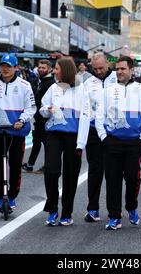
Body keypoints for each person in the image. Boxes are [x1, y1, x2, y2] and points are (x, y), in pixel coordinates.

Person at [95, 56, 141, 230]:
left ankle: (132, 207)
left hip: (134, 142)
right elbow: (99, 116)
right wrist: (104, 137)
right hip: (112, 141)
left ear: (131, 70)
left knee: (132, 178)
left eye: (123, 69)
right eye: (117, 69)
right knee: (112, 180)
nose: (119, 72)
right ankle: (114, 216)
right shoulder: (108, 90)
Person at [0, 53, 35, 213]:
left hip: (17, 131)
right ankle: (0, 195)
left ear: (16, 68)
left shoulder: (25, 85)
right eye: (3, 66)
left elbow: (31, 107)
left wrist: (22, 120)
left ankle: (12, 196)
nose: (5, 69)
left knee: (16, 165)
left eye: (8, 66)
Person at [40, 58, 90, 226]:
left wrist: (81, 143)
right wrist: (47, 110)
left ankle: (67, 212)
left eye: (56, 68)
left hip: (73, 138)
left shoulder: (82, 90)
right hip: (54, 134)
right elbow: (42, 109)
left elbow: (85, 117)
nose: (54, 71)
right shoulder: (53, 88)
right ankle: (53, 208)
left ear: (66, 70)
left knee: (70, 175)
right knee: (51, 171)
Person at [83, 52, 117, 222]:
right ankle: (93, 208)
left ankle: (115, 211)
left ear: (108, 64)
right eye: (95, 69)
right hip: (94, 132)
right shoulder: (88, 84)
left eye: (101, 68)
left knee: (114, 172)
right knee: (95, 170)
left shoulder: (119, 79)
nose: (98, 71)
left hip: (115, 132)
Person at [22, 59, 55, 174]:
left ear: (49, 69)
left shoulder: (50, 83)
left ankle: (47, 166)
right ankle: (30, 165)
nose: (41, 69)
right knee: (36, 141)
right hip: (38, 118)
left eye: (43, 68)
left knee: (47, 144)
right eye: (39, 67)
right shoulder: (41, 80)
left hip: (45, 119)